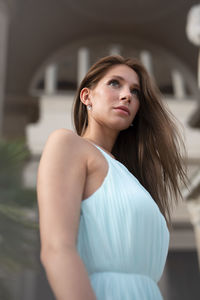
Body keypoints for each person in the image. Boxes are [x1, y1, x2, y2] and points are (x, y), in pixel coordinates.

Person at [37, 55, 187, 300]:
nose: (127, 95)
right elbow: (56, 250)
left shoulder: (132, 177)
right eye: (115, 83)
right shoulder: (68, 145)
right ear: (87, 96)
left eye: (135, 91)